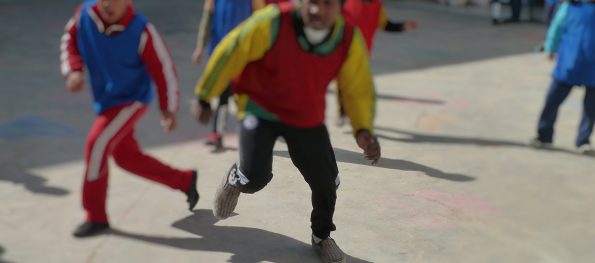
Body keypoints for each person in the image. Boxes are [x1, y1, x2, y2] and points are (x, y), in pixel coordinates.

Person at [192, 1, 381, 262]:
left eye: (327, 4)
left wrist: (363, 129)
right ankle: (237, 177)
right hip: (260, 107)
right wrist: (205, 95)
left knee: (327, 183)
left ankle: (321, 236)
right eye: (312, 2)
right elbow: (231, 50)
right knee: (255, 178)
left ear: (339, 7)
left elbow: (357, 86)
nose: (317, 10)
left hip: (305, 113)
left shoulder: (347, 37)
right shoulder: (272, 22)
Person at [60, 0, 199, 237]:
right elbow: (69, 40)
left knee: (97, 145)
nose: (107, 5)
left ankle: (96, 216)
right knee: (126, 158)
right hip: (105, 100)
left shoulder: (141, 30)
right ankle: (184, 180)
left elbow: (163, 68)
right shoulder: (84, 16)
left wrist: (169, 108)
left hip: (132, 100)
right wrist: (73, 69)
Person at [337, 0, 417, 126]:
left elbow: (385, 25)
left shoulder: (377, 6)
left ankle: (352, 115)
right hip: (343, 48)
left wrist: (403, 26)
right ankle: (343, 113)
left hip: (363, 53)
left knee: (357, 85)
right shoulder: (346, 2)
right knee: (344, 81)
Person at [530, 0, 595, 155]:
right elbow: (556, 28)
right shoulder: (570, 7)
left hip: (593, 68)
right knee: (552, 99)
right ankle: (544, 135)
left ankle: (583, 140)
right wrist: (551, 47)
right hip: (569, 63)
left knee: (591, 108)